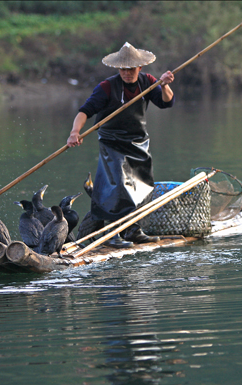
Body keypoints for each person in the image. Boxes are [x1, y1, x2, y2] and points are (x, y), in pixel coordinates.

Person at [67, 42, 175, 248]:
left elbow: (166, 102)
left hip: (138, 142)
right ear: (118, 69)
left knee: (143, 186)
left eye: (131, 69)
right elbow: (84, 112)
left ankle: (132, 230)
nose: (127, 73)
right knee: (118, 187)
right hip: (112, 143)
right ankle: (111, 233)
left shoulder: (149, 82)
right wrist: (74, 132)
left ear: (139, 68)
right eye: (123, 70)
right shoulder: (107, 87)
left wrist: (164, 85)